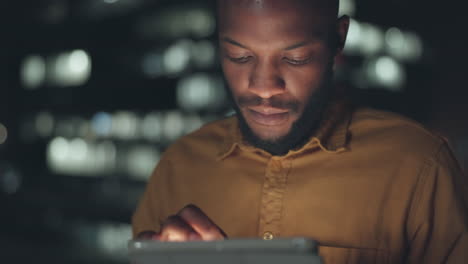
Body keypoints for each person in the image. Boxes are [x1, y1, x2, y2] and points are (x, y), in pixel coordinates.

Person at [132, 0, 468, 263]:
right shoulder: (177, 168)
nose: (264, 87)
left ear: (338, 40)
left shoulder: (420, 169)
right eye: (239, 55)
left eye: (295, 58)